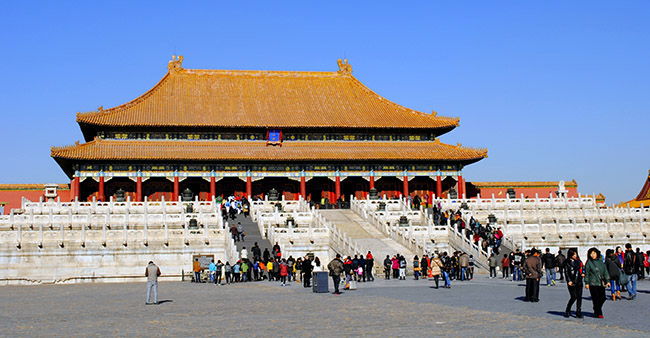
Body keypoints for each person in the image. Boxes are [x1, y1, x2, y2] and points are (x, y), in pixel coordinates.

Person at [584, 247, 610, 318]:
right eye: (591, 253)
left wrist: (608, 281)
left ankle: (596, 308)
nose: (592, 255)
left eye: (594, 253)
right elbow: (587, 273)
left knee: (603, 297)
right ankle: (599, 313)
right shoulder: (589, 262)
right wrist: (586, 283)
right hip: (592, 283)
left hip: (600, 282)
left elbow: (605, 272)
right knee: (595, 298)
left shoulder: (601, 262)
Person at [563, 249, 583, 318]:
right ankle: (568, 309)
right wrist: (569, 280)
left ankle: (578, 311)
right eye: (574, 254)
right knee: (574, 296)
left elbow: (579, 270)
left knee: (579, 297)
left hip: (579, 281)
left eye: (576, 254)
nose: (575, 256)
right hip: (571, 281)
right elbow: (566, 272)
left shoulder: (578, 262)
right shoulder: (566, 262)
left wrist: (582, 274)